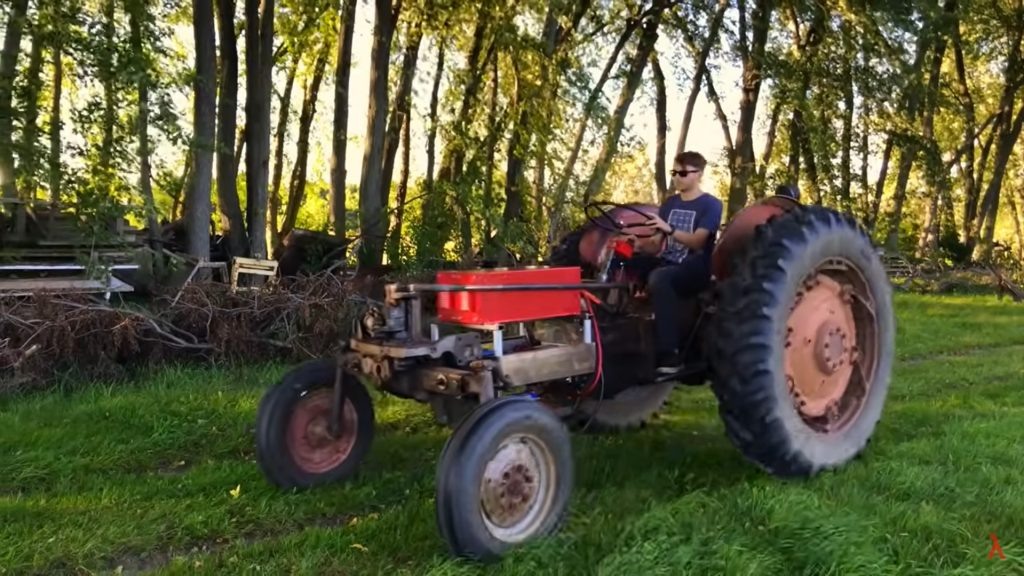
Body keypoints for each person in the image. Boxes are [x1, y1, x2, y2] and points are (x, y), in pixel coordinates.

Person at [642, 151, 723, 374]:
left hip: (696, 266)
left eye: (683, 173)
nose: (677, 177)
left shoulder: (711, 205)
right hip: (668, 261)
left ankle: (670, 355)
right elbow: (655, 244)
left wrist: (669, 229)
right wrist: (636, 245)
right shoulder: (670, 204)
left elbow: (698, 242)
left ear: (699, 174)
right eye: (674, 172)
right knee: (626, 263)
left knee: (660, 278)